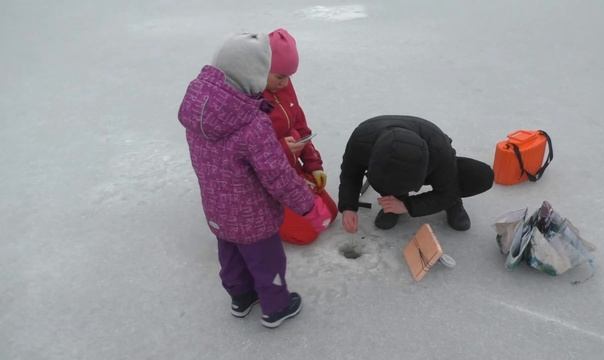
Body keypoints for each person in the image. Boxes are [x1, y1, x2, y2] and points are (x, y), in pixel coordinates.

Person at [178, 33, 323, 328]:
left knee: (230, 257)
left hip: (216, 208)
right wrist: (308, 206)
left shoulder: (198, 110)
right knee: (267, 262)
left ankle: (241, 298)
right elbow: (277, 174)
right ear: (253, 75)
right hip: (253, 214)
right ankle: (277, 307)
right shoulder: (251, 123)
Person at [338, 115, 494, 232]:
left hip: (433, 153)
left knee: (456, 182)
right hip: (382, 150)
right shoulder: (361, 141)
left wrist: (408, 206)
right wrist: (349, 207)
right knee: (389, 180)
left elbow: (448, 191)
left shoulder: (440, 151)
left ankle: (454, 204)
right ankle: (394, 201)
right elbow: (350, 175)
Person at [261, 28, 338, 245]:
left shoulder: (284, 87)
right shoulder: (251, 97)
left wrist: (314, 165)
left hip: (291, 170)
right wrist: (283, 150)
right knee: (306, 233)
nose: (285, 83)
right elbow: (252, 154)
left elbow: (301, 126)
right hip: (268, 183)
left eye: (289, 77)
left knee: (330, 213)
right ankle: (268, 214)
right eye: (280, 77)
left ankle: (300, 187)